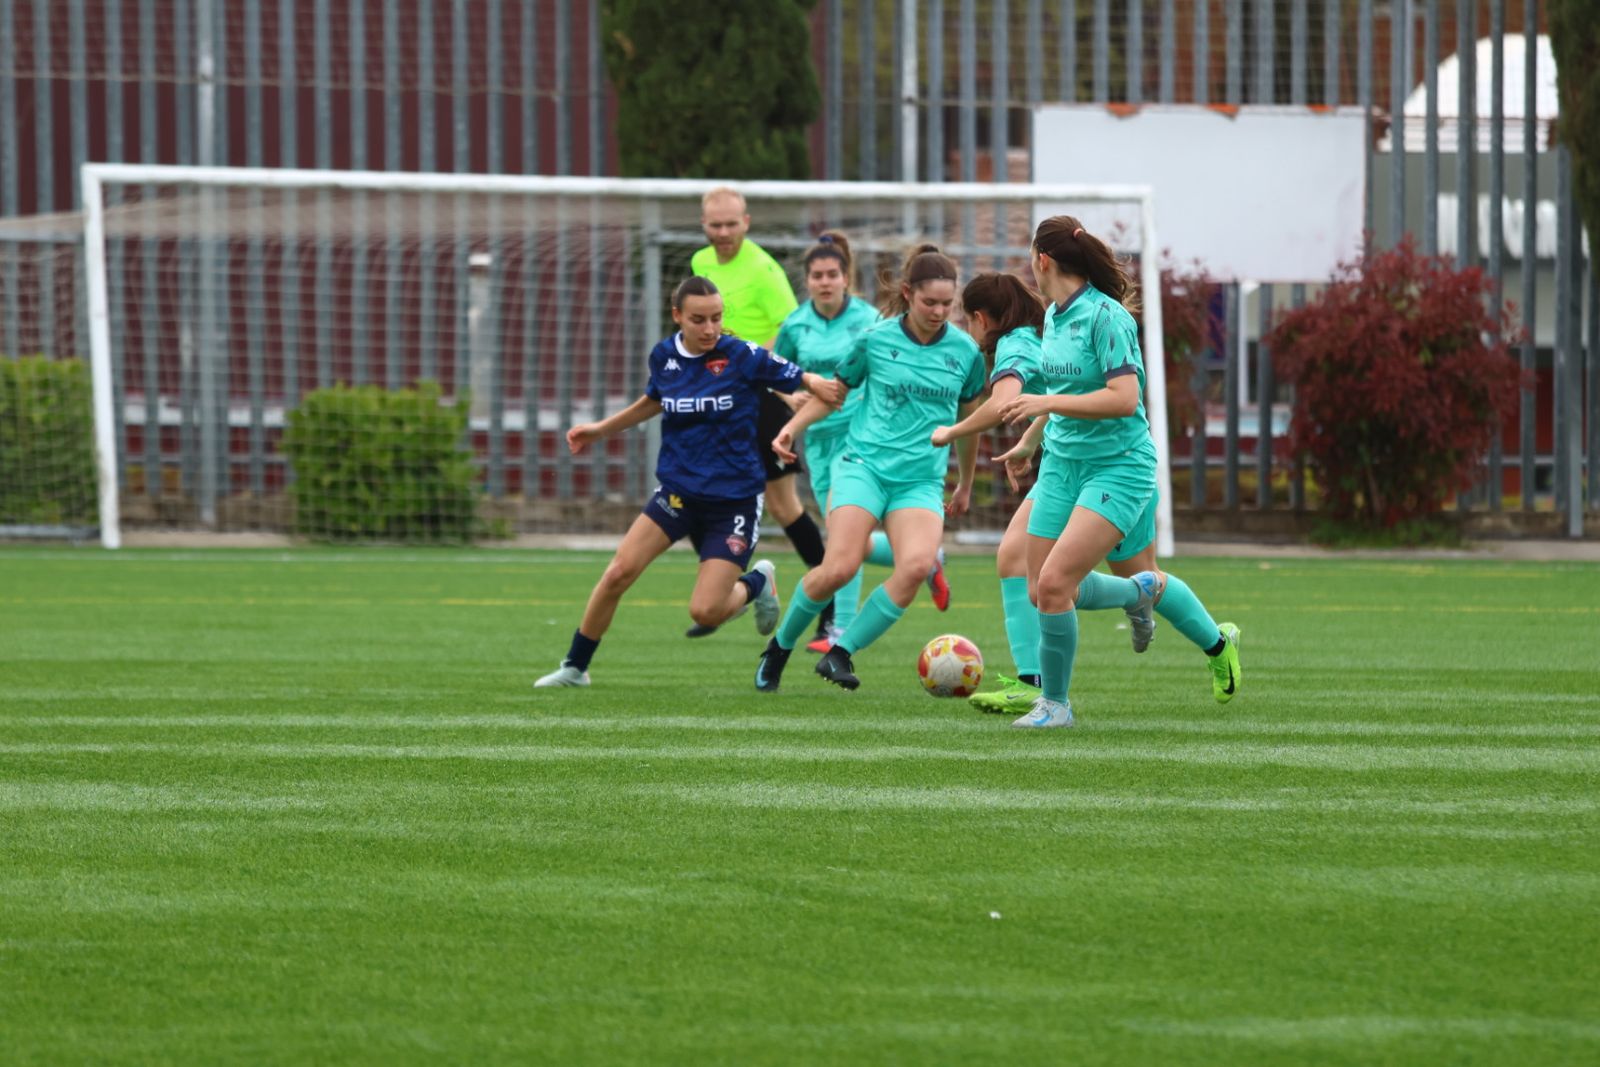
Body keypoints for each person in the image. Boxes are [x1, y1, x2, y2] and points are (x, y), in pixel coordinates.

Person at [984, 217, 1242, 727]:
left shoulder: (1107, 318)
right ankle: (1139, 595)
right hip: (1063, 465)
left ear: (1043, 260)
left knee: (1057, 583)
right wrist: (1030, 440)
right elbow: (1068, 395)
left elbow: (1124, 399)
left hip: (1118, 467)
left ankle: (1056, 704)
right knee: (1042, 589)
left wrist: (1044, 402)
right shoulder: (1053, 316)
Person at [534, 277, 844, 688]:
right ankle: (575, 667)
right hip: (678, 493)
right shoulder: (664, 356)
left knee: (705, 612)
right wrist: (601, 430)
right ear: (677, 316)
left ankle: (757, 582)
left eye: (716, 318)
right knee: (618, 573)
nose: (710, 328)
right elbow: (654, 400)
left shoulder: (741, 354)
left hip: (733, 502)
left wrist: (816, 386)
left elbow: (801, 378)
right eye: (699, 320)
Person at [754, 244, 985, 693]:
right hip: (864, 467)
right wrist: (791, 429)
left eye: (947, 303)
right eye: (929, 302)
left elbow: (969, 421)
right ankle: (778, 648)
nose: (939, 312)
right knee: (838, 567)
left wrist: (965, 482)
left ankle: (840, 652)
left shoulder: (966, 352)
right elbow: (834, 394)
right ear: (908, 293)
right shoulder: (875, 339)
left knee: (915, 567)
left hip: (920, 480)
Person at [773, 231, 951, 654]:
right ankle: (928, 558)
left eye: (832, 274)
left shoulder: (868, 319)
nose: (825, 282)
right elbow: (778, 373)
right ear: (807, 280)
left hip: (859, 439)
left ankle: (839, 628)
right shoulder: (795, 324)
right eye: (817, 275)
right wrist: (790, 398)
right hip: (818, 440)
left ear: (845, 277)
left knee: (839, 539)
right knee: (851, 543)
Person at [685, 186, 827, 638]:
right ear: (704, 225)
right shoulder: (700, 262)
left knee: (784, 506)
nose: (724, 232)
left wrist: (754, 369)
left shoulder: (764, 270)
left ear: (746, 222)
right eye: (716, 224)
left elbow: (790, 330)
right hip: (716, 400)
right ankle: (726, 595)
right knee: (694, 496)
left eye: (732, 224)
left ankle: (830, 604)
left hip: (760, 396)